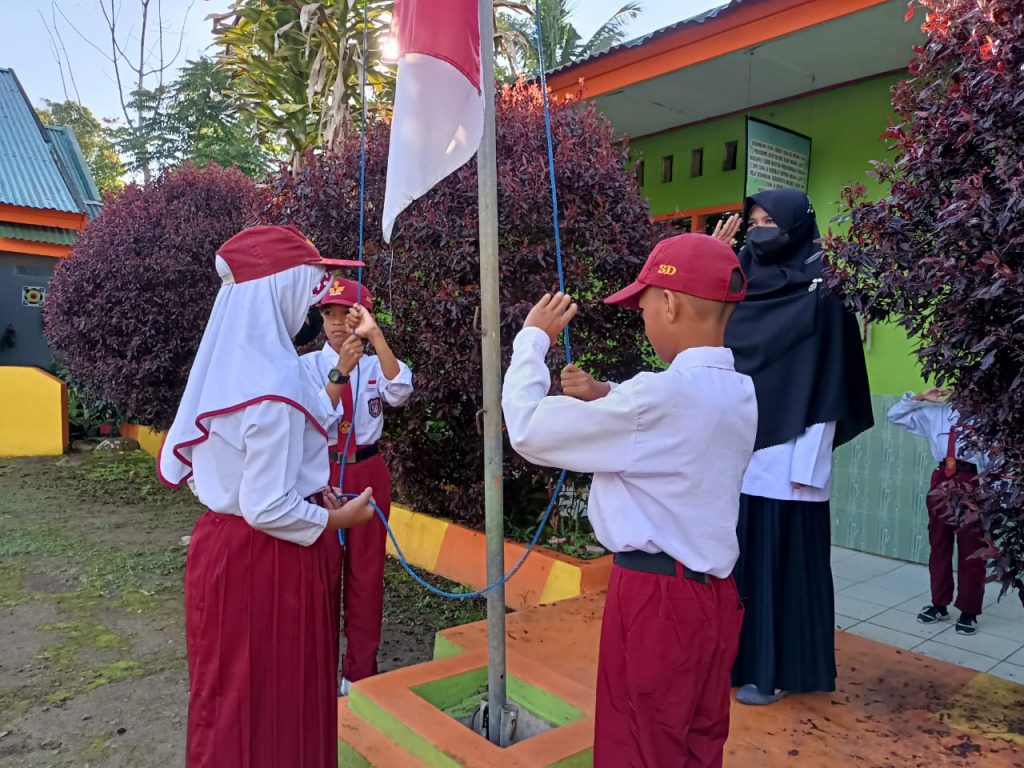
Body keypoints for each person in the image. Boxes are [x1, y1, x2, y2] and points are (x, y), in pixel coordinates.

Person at [503, 233, 757, 767]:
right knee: (696, 743)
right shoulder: (738, 392)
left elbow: (527, 429)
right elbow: (667, 416)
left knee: (638, 747)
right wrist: (608, 395)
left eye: (643, 306)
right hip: (713, 597)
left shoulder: (656, 398)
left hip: (655, 601)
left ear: (670, 302)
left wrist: (531, 341)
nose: (642, 319)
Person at [157, 225, 376, 767]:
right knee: (276, 701)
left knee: (228, 695)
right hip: (270, 562)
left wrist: (306, 487)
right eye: (305, 287)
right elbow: (267, 506)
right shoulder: (274, 382)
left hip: (223, 553)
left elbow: (289, 439)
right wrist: (336, 520)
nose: (310, 304)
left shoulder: (235, 367)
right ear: (278, 289)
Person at [717, 189, 873, 706]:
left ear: (798, 226)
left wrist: (810, 465)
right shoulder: (740, 283)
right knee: (738, 562)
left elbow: (834, 379)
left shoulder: (825, 293)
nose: (759, 230)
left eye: (770, 221)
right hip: (739, 447)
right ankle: (739, 661)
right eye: (753, 221)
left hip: (791, 458)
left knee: (782, 565)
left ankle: (778, 670)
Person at [300, 276, 413, 693]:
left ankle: (360, 672)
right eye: (327, 314)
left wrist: (377, 340)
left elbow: (400, 391)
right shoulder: (307, 366)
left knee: (366, 576)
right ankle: (319, 669)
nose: (334, 324)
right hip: (320, 473)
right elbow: (312, 418)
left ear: (360, 317)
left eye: (344, 315)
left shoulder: (374, 364)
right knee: (321, 575)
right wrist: (340, 370)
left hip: (367, 471)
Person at [887, 387, 988, 635]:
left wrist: (992, 495)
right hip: (942, 479)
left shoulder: (987, 419)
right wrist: (919, 398)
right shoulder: (936, 413)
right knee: (939, 544)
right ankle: (939, 604)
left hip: (972, 480)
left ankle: (969, 611)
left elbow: (993, 459)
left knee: (971, 549)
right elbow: (894, 415)